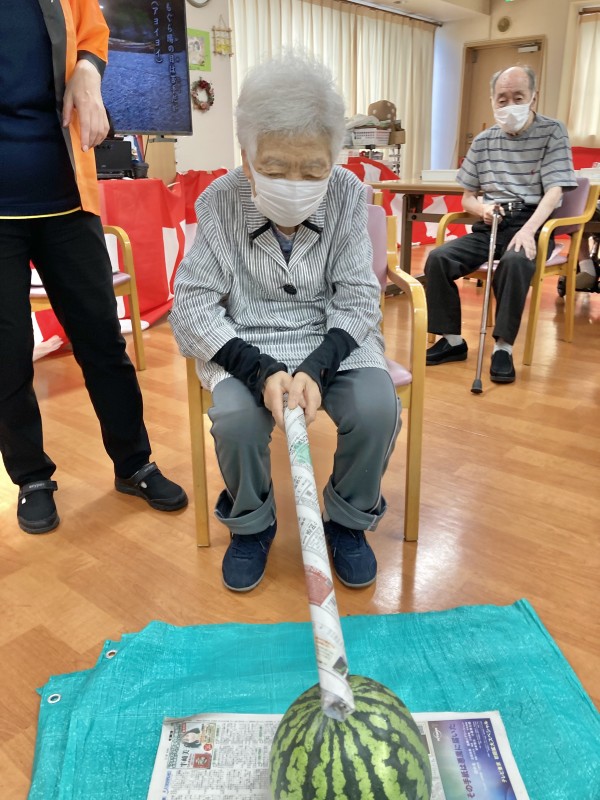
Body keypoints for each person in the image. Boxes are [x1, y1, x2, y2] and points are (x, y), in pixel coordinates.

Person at [170, 54, 400, 593]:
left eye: (313, 170)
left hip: (334, 341)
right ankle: (252, 525)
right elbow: (192, 307)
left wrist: (318, 367)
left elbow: (358, 299)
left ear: (334, 160)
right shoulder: (219, 202)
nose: (295, 184)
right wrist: (258, 368)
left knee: (376, 408)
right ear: (246, 159)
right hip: (246, 343)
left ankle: (347, 521)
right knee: (235, 421)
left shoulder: (348, 195)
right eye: (274, 169)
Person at [0, 0, 187, 535]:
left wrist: (87, 68)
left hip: (67, 201)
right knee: (6, 356)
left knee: (104, 341)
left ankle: (134, 463)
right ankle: (32, 478)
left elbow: (93, 30)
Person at [425, 65, 578, 383]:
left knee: (514, 262)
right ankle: (452, 341)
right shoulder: (483, 141)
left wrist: (529, 230)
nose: (509, 105)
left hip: (531, 221)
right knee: (438, 258)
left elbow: (554, 191)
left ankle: (503, 348)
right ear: (492, 100)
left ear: (533, 97)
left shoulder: (552, 131)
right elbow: (467, 198)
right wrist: (482, 208)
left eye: (518, 98)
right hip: (491, 222)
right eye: (502, 99)